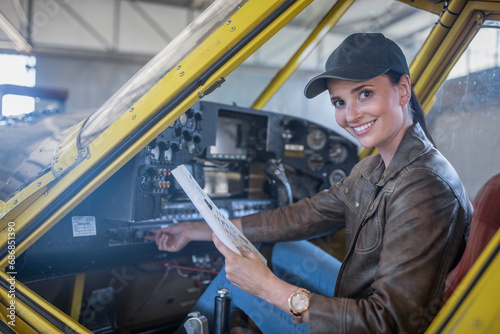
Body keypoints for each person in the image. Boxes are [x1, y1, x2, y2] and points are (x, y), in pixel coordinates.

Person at [149, 33, 472, 333]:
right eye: (339, 102)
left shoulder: (423, 189)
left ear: (403, 90)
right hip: (360, 295)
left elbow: (388, 322)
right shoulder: (375, 167)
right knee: (276, 247)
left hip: (372, 322)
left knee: (245, 278)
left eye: (365, 94)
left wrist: (271, 289)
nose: (351, 115)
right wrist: (195, 229)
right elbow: (300, 217)